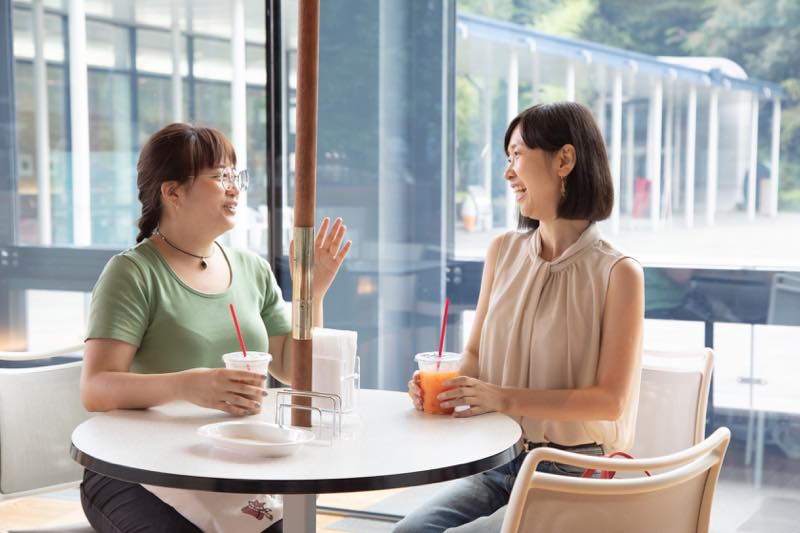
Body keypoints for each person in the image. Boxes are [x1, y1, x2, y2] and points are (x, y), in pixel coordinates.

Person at [79, 123, 351, 533]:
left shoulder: (251, 269)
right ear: (172, 192)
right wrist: (187, 385)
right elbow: (95, 388)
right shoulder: (132, 273)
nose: (235, 188)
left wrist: (313, 293)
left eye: (235, 175)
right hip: (132, 471)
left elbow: (296, 371)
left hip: (226, 464)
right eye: (220, 176)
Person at [396, 102, 644, 533]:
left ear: (564, 160)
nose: (508, 172)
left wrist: (501, 397)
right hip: (500, 461)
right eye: (507, 158)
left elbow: (610, 400)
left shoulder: (618, 273)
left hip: (573, 474)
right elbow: (474, 353)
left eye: (517, 155)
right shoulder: (503, 251)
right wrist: (446, 386)